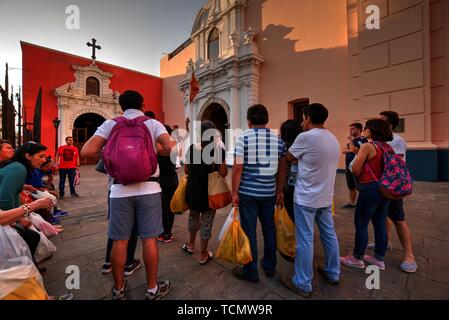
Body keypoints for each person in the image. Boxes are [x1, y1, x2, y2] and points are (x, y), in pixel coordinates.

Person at [81, 90, 175, 300]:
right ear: (142, 105)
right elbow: (171, 148)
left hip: (119, 190)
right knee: (149, 240)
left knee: (119, 241)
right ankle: (152, 289)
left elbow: (86, 151)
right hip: (149, 188)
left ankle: (119, 289)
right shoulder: (152, 123)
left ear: (121, 106)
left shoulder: (111, 124)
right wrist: (157, 150)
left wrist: (111, 152)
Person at [281, 103, 341, 298]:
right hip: (325, 197)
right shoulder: (332, 138)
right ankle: (333, 271)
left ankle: (303, 282)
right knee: (329, 234)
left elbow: (288, 157)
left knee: (305, 239)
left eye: (304, 118)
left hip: (306, 197)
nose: (302, 121)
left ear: (308, 118)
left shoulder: (305, 137)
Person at [232, 104, 286, 283]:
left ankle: (250, 271)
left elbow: (238, 168)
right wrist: (279, 191)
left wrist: (234, 192)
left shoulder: (243, 139)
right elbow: (282, 168)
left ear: (249, 120)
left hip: (248, 193)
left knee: (249, 231)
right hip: (269, 193)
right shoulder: (278, 141)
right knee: (269, 229)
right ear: (266, 119)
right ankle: (270, 267)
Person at [340, 119, 393, 271]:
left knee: (361, 223)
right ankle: (378, 258)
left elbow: (356, 169)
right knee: (380, 223)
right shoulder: (386, 147)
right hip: (385, 189)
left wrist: (360, 181)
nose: (365, 130)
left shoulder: (368, 146)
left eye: (367, 128)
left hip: (370, 188)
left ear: (372, 130)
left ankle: (357, 258)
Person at [183, 121, 228, 265]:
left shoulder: (192, 148)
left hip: (193, 191)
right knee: (206, 222)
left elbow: (185, 170)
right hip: (210, 194)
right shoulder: (217, 151)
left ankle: (190, 245)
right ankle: (203, 254)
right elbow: (223, 172)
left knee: (193, 217)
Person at [0, 142, 53, 263]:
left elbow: (12, 194)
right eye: (40, 156)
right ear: (28, 156)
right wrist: (17, 219)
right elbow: (4, 200)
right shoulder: (18, 168)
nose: (44, 160)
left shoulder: (16, 166)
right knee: (31, 238)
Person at [379, 111, 417, 273]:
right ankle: (385, 241)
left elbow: (398, 165)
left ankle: (409, 255)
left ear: (390, 125)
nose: (377, 123)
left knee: (398, 218)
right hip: (381, 185)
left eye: (381, 121)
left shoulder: (397, 141)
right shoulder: (381, 140)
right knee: (384, 215)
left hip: (393, 186)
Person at [157, 125, 180, 243]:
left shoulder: (158, 147)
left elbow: (160, 151)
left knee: (163, 207)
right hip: (172, 179)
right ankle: (168, 232)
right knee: (169, 208)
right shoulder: (174, 145)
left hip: (161, 181)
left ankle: (164, 232)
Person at [280, 119, 303, 222]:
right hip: (302, 182)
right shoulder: (302, 143)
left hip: (288, 183)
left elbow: (284, 160)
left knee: (290, 209)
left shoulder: (284, 145)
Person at [341, 123, 368, 209]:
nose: (350, 130)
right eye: (350, 129)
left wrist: (351, 143)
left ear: (359, 129)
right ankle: (352, 203)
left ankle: (363, 204)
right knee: (351, 186)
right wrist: (352, 148)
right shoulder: (352, 141)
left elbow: (355, 150)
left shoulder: (363, 140)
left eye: (353, 128)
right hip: (348, 167)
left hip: (357, 167)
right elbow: (344, 150)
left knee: (360, 187)